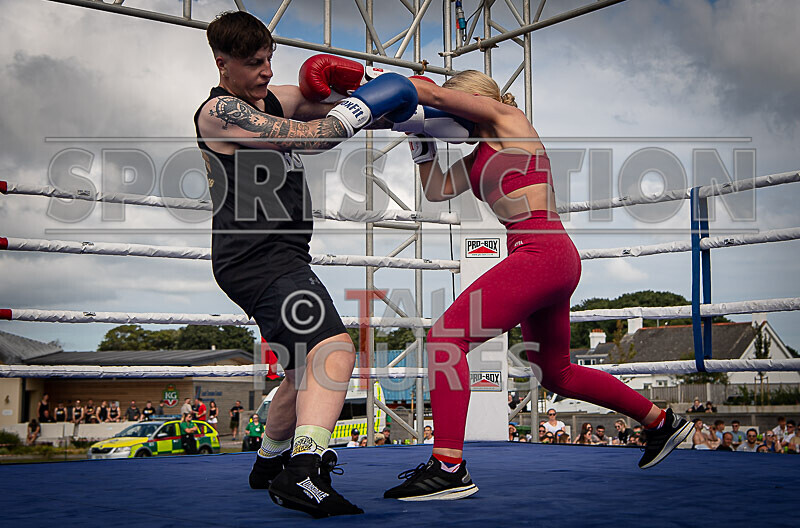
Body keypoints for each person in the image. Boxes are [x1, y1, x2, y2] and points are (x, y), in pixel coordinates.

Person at [383, 70, 693, 501]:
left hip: (540, 252)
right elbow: (437, 189)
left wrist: (383, 89)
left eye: (452, 101)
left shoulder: (510, 119)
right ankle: (662, 422)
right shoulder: (476, 158)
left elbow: (430, 93)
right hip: (545, 257)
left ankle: (449, 466)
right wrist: (418, 136)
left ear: (469, 99)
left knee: (445, 340)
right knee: (557, 374)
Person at [196, 13, 416, 518]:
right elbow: (313, 137)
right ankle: (304, 471)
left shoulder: (277, 97)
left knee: (301, 375)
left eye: (270, 59)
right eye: (254, 63)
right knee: (335, 350)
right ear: (221, 62)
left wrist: (375, 91)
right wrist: (360, 106)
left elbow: (346, 109)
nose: (268, 71)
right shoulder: (219, 112)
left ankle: (270, 462)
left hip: (282, 255)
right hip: (256, 259)